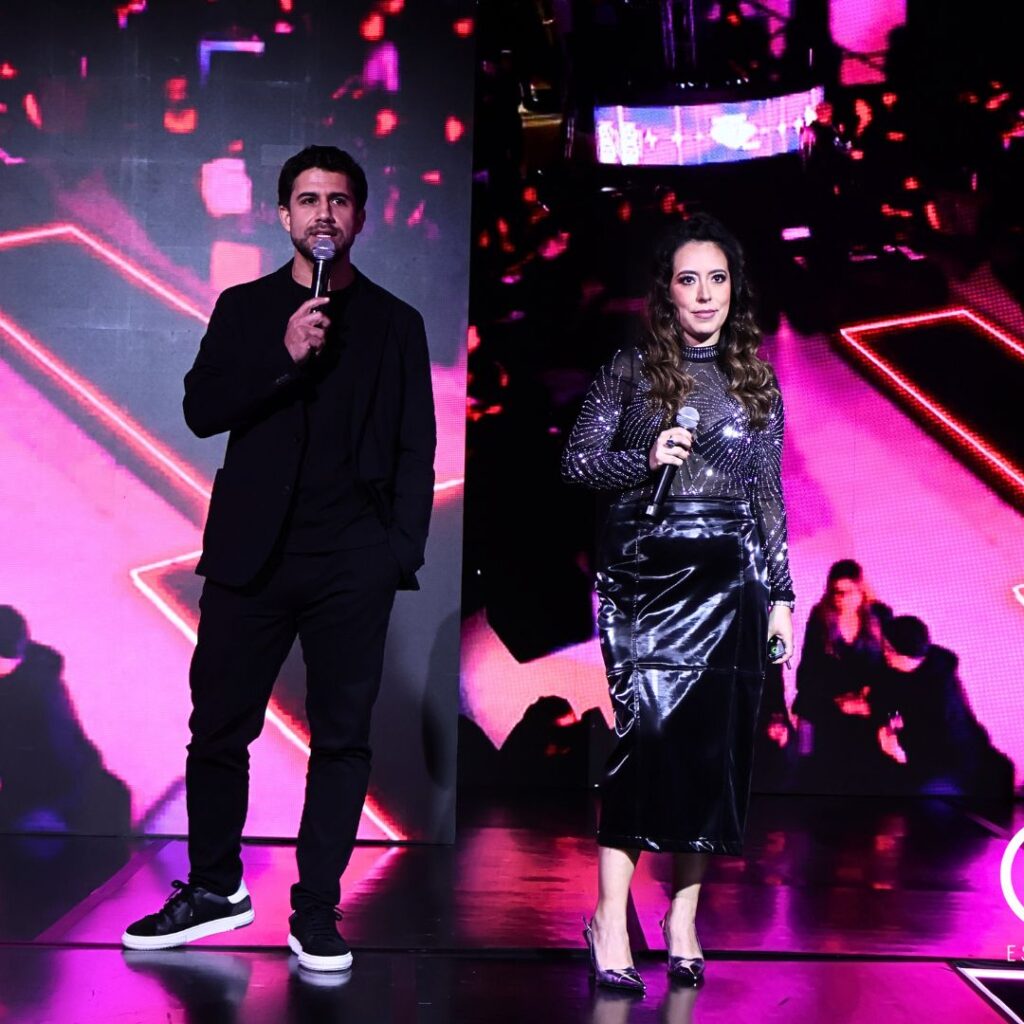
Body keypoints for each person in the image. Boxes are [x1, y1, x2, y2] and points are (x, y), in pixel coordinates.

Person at [122, 145, 437, 973]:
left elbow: (416, 448)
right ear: (283, 214)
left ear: (359, 216)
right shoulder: (246, 307)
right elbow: (201, 409)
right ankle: (215, 888)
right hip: (250, 556)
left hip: (351, 562)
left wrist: (395, 553)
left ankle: (317, 911)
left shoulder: (396, 323)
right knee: (219, 728)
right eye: (307, 200)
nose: (323, 214)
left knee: (342, 740)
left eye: (338, 200)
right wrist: (283, 357)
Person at [562, 213, 794, 991]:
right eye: (689, 278)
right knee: (647, 737)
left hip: (731, 583)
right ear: (666, 289)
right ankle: (608, 917)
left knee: (709, 753)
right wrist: (644, 454)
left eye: (717, 278)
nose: (704, 293)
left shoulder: (755, 379)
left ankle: (683, 919)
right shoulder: (631, 369)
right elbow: (578, 464)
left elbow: (767, 494)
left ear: (734, 289)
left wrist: (781, 596)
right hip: (646, 578)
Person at [872, 614, 1013, 800]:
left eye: (889, 649)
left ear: (905, 651)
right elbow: (890, 703)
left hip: (951, 763)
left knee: (927, 801)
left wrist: (903, 754)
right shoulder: (894, 671)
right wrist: (888, 724)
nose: (885, 653)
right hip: (918, 755)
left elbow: (943, 741)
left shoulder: (940, 690)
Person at [791, 560, 887, 791]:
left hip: (868, 704)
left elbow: (889, 670)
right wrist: (837, 701)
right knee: (829, 765)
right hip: (831, 703)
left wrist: (868, 700)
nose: (842, 598)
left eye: (849, 591)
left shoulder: (880, 616)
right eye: (836, 592)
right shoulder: (821, 617)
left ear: (861, 590)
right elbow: (807, 672)